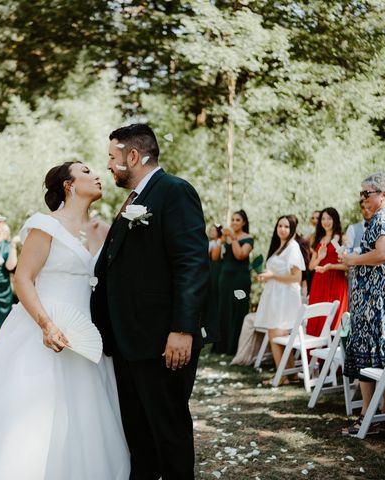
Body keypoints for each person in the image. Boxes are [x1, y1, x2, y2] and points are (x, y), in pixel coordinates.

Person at [0, 161, 129, 479]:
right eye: (85, 171)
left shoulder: (101, 230)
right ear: (68, 185)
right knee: (28, 415)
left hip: (85, 335)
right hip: (42, 326)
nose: (97, 175)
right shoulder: (45, 224)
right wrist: (46, 324)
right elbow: (23, 279)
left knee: (85, 415)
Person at [91, 124, 209, 480]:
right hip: (129, 342)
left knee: (168, 432)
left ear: (133, 156)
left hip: (161, 340)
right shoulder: (134, 199)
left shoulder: (173, 191)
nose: (108, 165)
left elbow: (192, 262)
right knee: (139, 438)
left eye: (113, 157)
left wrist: (182, 329)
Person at [341, 172, 385, 435]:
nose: (362, 198)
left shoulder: (384, 216)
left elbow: (383, 253)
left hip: (379, 301)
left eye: (366, 193)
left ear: (383, 194)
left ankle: (366, 418)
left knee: (370, 355)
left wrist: (352, 260)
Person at [253, 215, 305, 383]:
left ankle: (281, 376)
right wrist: (267, 277)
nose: (282, 229)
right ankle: (291, 374)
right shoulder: (279, 247)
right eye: (280, 226)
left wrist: (273, 276)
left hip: (285, 297)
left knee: (274, 333)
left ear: (292, 230)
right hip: (275, 295)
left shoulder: (293, 247)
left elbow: (296, 277)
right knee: (278, 334)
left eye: (286, 227)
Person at [212, 210, 253, 356]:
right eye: (233, 220)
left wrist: (234, 238)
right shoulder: (226, 237)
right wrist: (222, 239)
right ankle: (222, 346)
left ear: (244, 223)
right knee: (224, 309)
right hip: (225, 279)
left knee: (238, 310)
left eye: (238, 220)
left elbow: (240, 255)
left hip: (240, 280)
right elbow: (215, 257)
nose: (234, 222)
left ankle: (235, 346)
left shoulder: (248, 238)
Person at [307, 207, 348, 336]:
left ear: (335, 220)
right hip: (319, 283)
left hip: (336, 282)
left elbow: (347, 265)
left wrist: (330, 266)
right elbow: (311, 267)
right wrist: (320, 257)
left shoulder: (342, 238)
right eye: (323, 219)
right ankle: (313, 353)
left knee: (334, 319)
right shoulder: (317, 239)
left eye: (329, 218)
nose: (326, 222)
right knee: (317, 317)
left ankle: (331, 354)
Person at [202, 223, 223, 345]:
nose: (211, 232)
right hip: (211, 270)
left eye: (213, 230)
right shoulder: (210, 243)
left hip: (217, 271)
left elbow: (215, 257)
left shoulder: (218, 243)